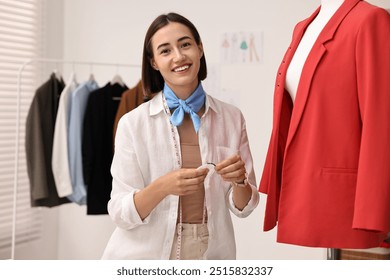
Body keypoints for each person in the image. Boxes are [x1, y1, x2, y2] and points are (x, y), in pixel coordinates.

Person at [102, 12, 259, 260]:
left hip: (211, 252)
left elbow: (244, 207)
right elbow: (120, 212)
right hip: (144, 256)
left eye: (185, 44)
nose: (179, 56)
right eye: (165, 51)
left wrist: (240, 182)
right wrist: (162, 187)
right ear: (154, 62)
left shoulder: (232, 117)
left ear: (199, 49)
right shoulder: (133, 124)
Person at [260, 0, 390, 249]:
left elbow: (381, 122)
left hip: (347, 202)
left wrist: (375, 212)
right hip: (305, 187)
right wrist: (273, 177)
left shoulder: (370, 20)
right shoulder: (303, 27)